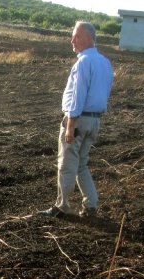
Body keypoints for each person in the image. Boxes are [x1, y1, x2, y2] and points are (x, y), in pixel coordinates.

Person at [38, 21, 114, 218]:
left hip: (79, 120)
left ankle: (62, 207)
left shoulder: (83, 63)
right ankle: (91, 205)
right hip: (95, 121)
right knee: (81, 164)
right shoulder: (105, 63)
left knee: (67, 165)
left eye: (76, 36)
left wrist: (70, 126)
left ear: (89, 38)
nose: (72, 40)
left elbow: (78, 96)